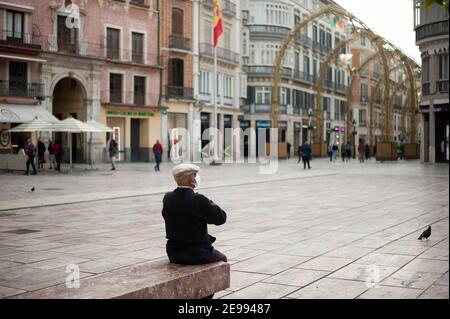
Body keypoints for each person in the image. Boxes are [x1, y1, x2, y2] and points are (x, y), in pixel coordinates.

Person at [162, 163, 227, 266]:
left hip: (173, 253)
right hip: (197, 253)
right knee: (222, 258)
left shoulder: (168, 197)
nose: (197, 177)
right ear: (191, 180)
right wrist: (205, 201)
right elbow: (221, 218)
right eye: (195, 175)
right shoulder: (198, 199)